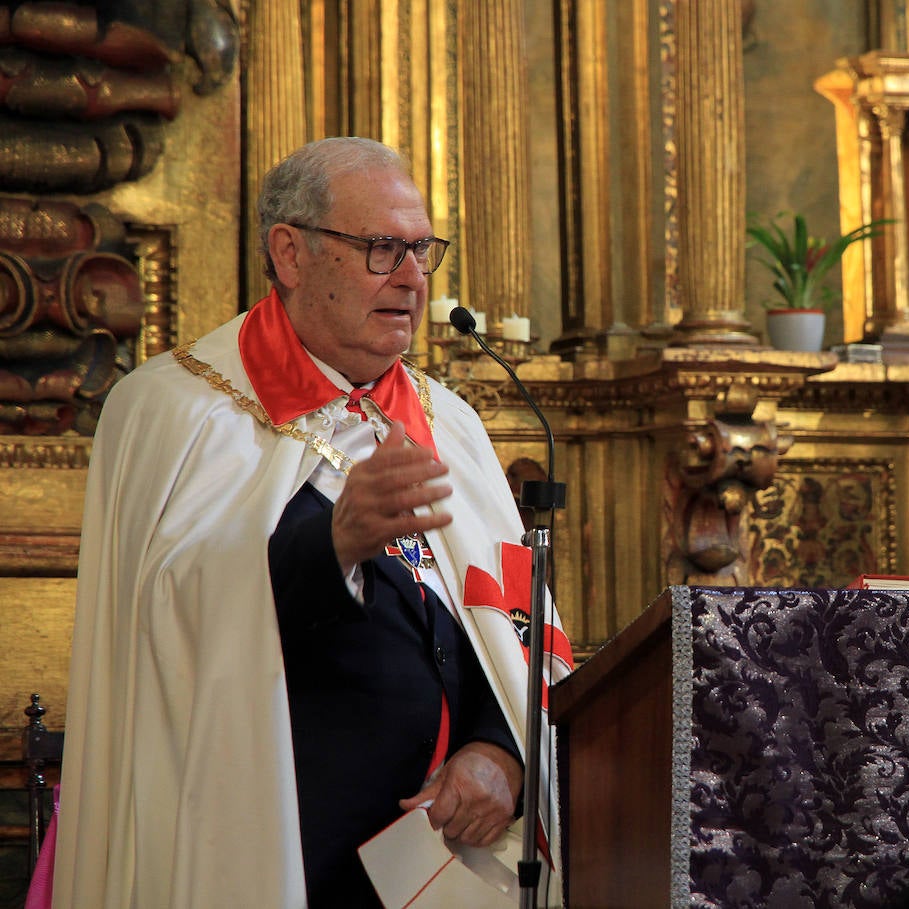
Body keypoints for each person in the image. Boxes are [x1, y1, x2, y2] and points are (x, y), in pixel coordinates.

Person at [52, 137, 572, 908]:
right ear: (290, 254)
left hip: (450, 870)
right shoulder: (176, 410)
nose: (411, 279)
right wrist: (332, 544)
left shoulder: (449, 423)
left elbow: (512, 634)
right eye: (381, 248)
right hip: (272, 859)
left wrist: (501, 756)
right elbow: (170, 627)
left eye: (421, 250)